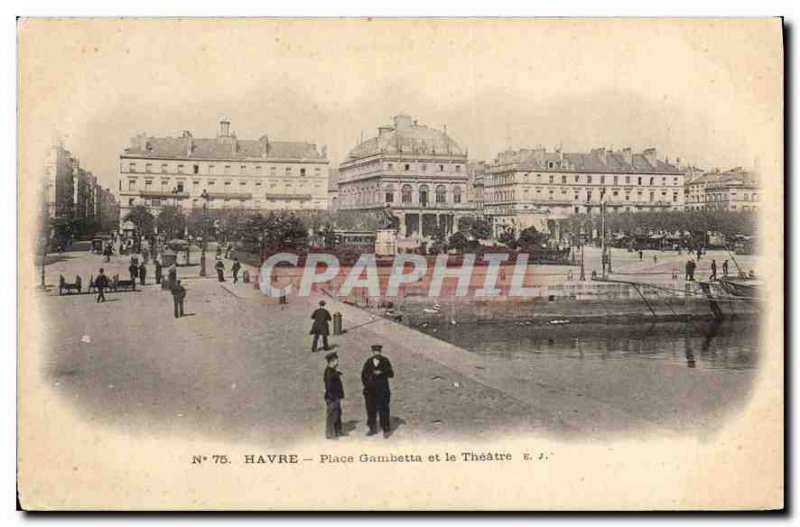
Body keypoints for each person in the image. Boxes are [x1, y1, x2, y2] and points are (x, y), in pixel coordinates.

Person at [361, 344, 394, 438]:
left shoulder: (385, 361)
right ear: (372, 352)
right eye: (375, 351)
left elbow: (391, 374)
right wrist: (367, 385)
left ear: (380, 352)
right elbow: (363, 375)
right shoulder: (368, 362)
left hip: (382, 390)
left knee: (383, 408)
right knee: (370, 409)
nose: (376, 353)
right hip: (370, 391)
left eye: (378, 351)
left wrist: (382, 372)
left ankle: (386, 429)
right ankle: (372, 428)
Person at [323, 351, 345, 440]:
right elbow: (329, 386)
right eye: (336, 360)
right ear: (332, 361)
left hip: (336, 396)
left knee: (337, 413)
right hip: (332, 397)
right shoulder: (329, 372)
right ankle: (330, 434)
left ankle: (338, 431)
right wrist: (333, 397)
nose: (337, 362)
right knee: (332, 415)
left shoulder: (331, 371)